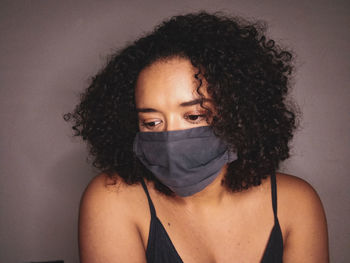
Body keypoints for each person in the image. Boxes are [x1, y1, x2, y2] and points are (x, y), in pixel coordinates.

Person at [64, 12, 329, 263]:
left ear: (240, 114)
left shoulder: (296, 202)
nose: (170, 139)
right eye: (152, 122)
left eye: (194, 116)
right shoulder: (112, 198)